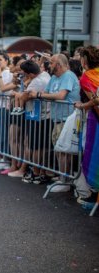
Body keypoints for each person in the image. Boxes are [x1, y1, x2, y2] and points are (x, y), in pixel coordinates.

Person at [29, 54, 80, 192]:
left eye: (51, 63)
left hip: (67, 119)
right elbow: (46, 93)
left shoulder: (68, 76)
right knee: (58, 149)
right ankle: (62, 176)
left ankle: (65, 180)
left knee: (64, 150)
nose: (48, 65)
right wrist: (40, 94)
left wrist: (38, 95)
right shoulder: (53, 78)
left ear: (58, 64)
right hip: (56, 118)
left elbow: (60, 96)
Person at [74, 46, 99, 204]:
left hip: (95, 120)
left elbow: (95, 101)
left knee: (92, 154)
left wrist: (82, 106)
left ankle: (92, 196)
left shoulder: (86, 77)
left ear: (84, 60)